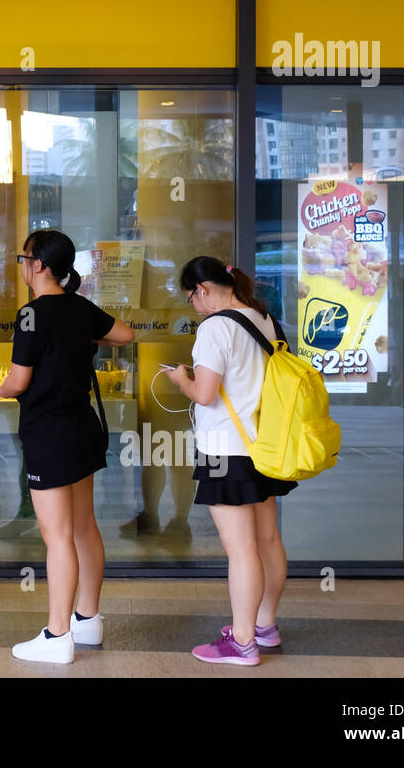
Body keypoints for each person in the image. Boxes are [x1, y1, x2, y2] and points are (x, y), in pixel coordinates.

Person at [0, 229, 134, 664]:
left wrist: (1, 387)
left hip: (49, 434)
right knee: (83, 528)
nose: (21, 265)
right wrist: (86, 340)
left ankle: (57, 637)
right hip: (82, 428)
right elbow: (126, 335)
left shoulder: (30, 315)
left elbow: (19, 381)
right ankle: (87, 621)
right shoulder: (79, 308)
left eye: (24, 258)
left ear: (38, 265)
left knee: (57, 538)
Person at [165, 256, 295, 667]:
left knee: (240, 549)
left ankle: (241, 643)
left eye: (192, 299)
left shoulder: (215, 327)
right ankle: (264, 625)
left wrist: (180, 379)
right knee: (268, 540)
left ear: (202, 290)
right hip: (264, 445)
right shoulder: (263, 318)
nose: (195, 308)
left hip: (226, 448)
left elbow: (205, 394)